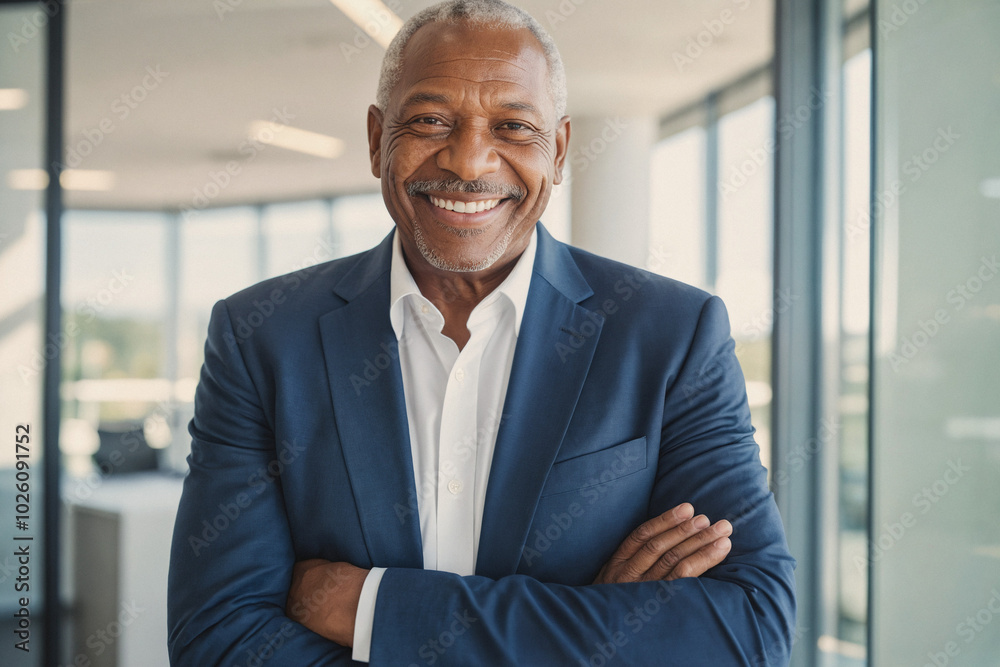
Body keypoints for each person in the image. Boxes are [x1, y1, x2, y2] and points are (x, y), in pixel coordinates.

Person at [167, 1, 796, 664]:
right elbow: (218, 641)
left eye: (512, 126)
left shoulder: (671, 335)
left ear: (556, 151)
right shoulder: (260, 338)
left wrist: (372, 609)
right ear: (377, 138)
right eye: (431, 120)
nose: (469, 161)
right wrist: (588, 632)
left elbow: (748, 628)